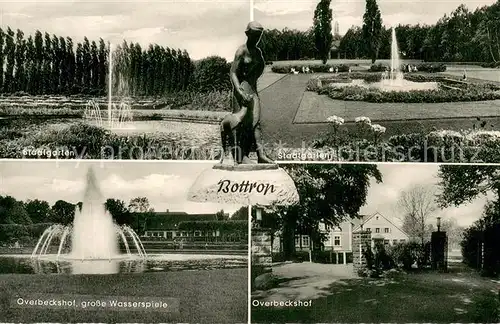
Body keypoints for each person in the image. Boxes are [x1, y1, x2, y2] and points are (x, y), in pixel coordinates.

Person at [220, 21, 273, 164]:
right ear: (247, 34)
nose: (257, 38)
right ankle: (240, 156)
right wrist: (240, 90)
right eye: (255, 35)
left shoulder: (258, 52)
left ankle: (261, 154)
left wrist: (252, 78)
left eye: (259, 35)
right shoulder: (241, 51)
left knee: (256, 122)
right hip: (241, 90)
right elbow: (232, 73)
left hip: (252, 89)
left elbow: (261, 66)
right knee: (241, 124)